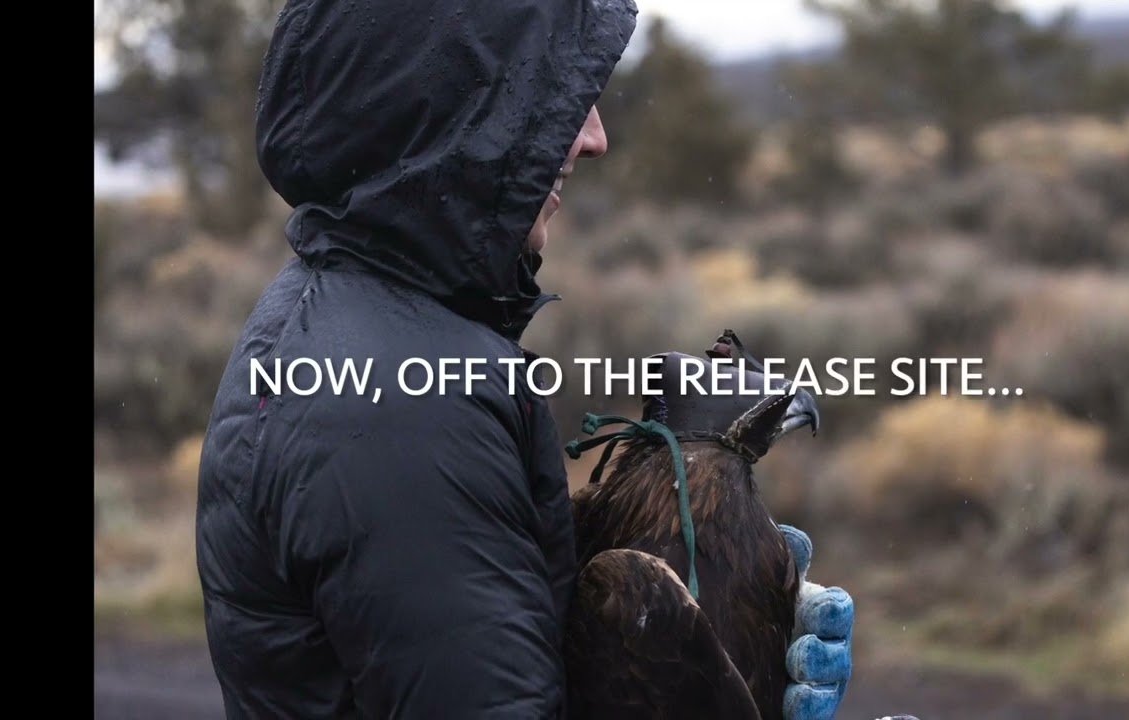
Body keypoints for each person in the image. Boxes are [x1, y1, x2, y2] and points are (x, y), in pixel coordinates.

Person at [195, 0, 854, 718]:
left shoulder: (340, 323)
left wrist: (707, 632)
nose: (594, 137)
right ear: (450, 115)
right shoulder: (402, 406)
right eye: (556, 99)